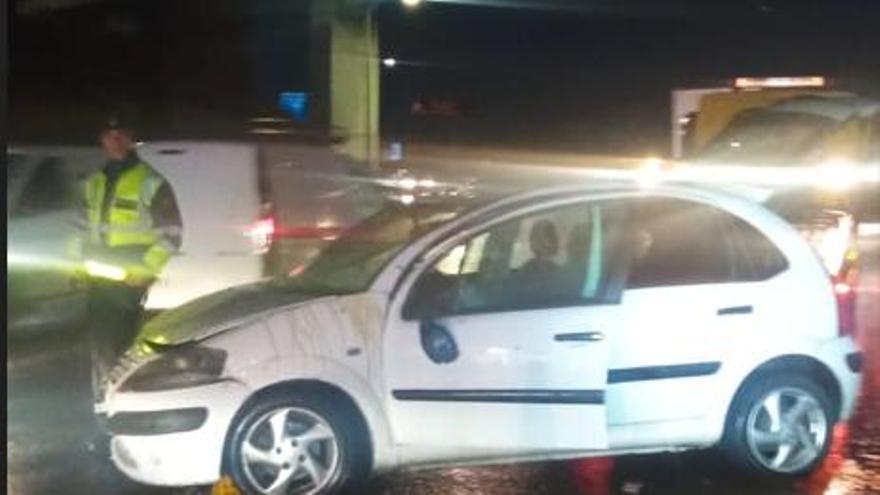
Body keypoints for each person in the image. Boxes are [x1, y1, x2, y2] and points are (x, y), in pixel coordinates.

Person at [83, 113, 182, 400]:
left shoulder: (150, 182)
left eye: (119, 135)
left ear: (130, 138)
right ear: (101, 139)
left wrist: (146, 272)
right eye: (108, 134)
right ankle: (105, 406)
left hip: (128, 284)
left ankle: (125, 404)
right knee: (101, 352)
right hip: (97, 283)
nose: (113, 141)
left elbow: (172, 233)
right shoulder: (95, 182)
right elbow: (86, 231)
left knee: (122, 354)